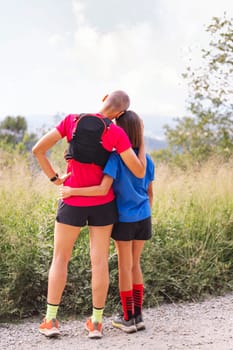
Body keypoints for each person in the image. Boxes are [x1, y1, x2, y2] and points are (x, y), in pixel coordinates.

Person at [32, 91, 146, 339]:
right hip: (103, 204)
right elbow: (138, 171)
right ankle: (95, 323)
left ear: (104, 98)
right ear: (120, 114)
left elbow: (38, 150)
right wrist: (141, 142)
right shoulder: (116, 132)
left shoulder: (71, 121)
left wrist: (55, 179)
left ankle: (51, 320)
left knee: (60, 258)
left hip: (72, 199)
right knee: (99, 262)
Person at [60, 110, 155, 334]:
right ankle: (138, 315)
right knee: (136, 264)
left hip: (124, 219)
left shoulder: (116, 158)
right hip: (144, 216)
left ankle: (128, 317)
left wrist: (72, 189)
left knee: (125, 266)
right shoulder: (147, 160)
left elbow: (104, 188)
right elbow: (150, 192)